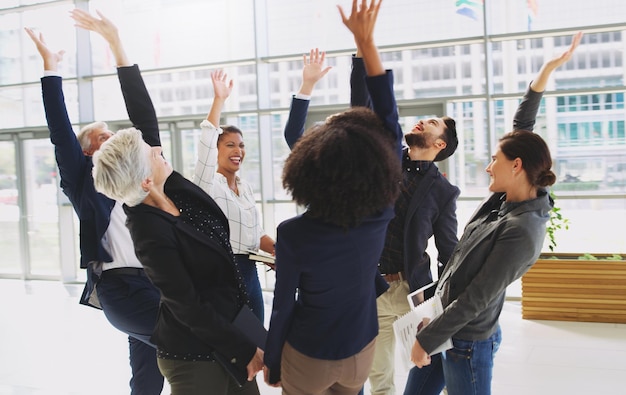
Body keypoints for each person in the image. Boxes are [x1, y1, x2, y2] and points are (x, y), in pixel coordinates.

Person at [409, 32, 583, 395]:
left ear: (516, 166)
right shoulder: (509, 198)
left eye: (494, 161)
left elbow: (478, 296)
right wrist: (547, 70)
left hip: (467, 342)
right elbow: (523, 127)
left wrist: (427, 340)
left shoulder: (523, 228)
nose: (488, 167)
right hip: (444, 324)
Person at [262, 1, 404, 393]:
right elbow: (387, 123)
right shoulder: (381, 210)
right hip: (361, 347)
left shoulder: (293, 233)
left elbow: (283, 306)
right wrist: (366, 45)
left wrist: (273, 361)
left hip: (310, 353)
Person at [26, 10, 164, 394]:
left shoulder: (141, 177)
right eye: (104, 137)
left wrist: (117, 44)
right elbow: (59, 132)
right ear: (88, 153)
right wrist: (50, 68)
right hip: (121, 288)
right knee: (194, 346)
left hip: (159, 284)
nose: (115, 138)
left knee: (147, 378)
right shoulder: (84, 182)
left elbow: (145, 119)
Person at [91, 118, 265, 393]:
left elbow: (144, 118)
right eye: (153, 152)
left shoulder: (174, 192)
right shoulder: (148, 231)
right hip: (194, 358)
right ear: (146, 179)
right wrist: (242, 349)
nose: (159, 151)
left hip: (229, 331)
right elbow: (187, 305)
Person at [349, 26, 460, 395]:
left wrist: (444, 306)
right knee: (378, 376)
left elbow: (448, 250)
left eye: (430, 123)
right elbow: (362, 110)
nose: (420, 121)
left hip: (415, 290)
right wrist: (361, 55)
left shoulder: (443, 191)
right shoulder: (384, 159)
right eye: (421, 118)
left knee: (428, 367)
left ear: (439, 143)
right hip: (372, 285)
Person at [193, 69, 275, 323]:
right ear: (216, 151)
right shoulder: (207, 184)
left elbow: (255, 234)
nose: (238, 150)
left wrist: (280, 253)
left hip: (250, 272)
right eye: (230, 145)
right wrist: (219, 101)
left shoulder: (246, 188)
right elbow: (206, 144)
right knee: (234, 343)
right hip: (224, 273)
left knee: (257, 341)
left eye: (241, 145)